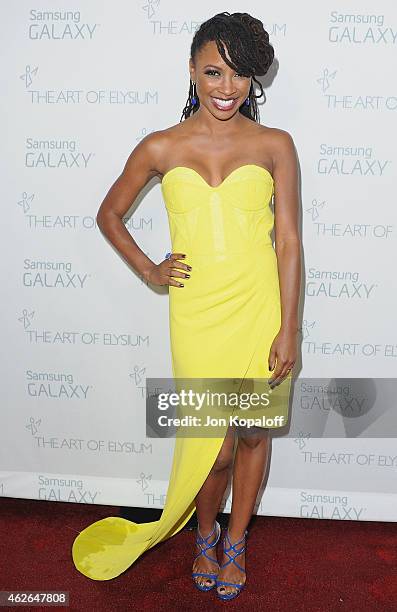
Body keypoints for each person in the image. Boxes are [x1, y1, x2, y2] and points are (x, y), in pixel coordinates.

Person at [72, 11, 301, 601]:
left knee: (252, 434)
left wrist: (290, 330)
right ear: (193, 72)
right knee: (213, 444)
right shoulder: (161, 145)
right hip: (198, 313)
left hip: (260, 309)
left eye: (242, 76)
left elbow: (290, 242)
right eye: (215, 72)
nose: (228, 89)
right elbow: (109, 213)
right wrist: (150, 269)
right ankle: (204, 534)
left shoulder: (276, 145)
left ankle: (237, 539)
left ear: (255, 81)